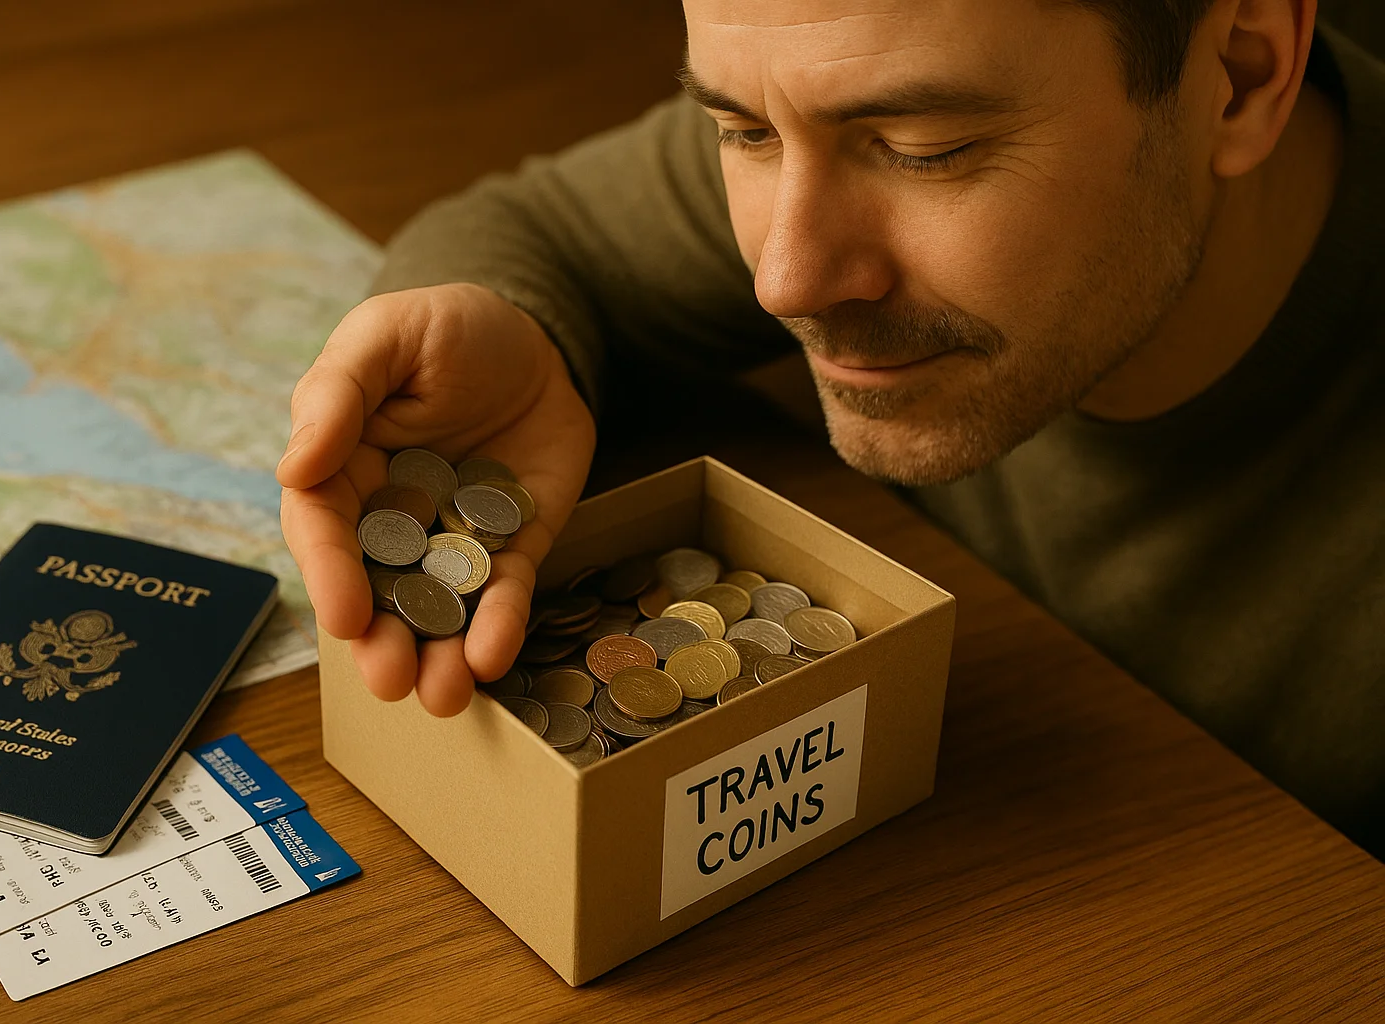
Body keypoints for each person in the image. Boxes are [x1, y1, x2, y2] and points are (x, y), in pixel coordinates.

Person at [278, 0, 1385, 857]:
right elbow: (531, 226)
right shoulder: (847, 69)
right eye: (743, 131)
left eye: (924, 148)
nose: (784, 277)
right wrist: (523, 331)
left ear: (1241, 77)